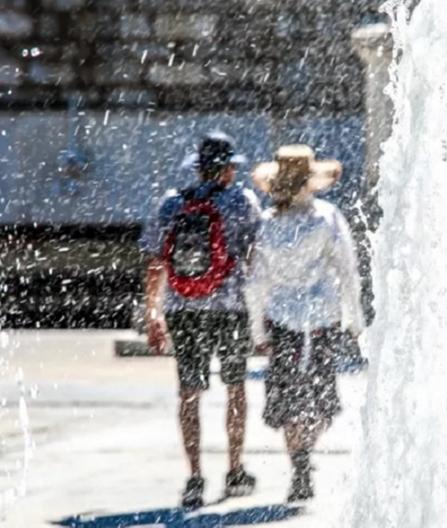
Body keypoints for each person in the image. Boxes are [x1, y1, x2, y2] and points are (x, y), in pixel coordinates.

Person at [140, 131, 262, 508]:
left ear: (197, 167)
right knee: (235, 388)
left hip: (183, 309)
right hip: (230, 308)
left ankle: (194, 477)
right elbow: (257, 257)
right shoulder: (242, 201)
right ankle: (235, 469)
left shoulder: (171, 203)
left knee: (189, 393)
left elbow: (155, 262)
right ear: (227, 169)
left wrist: (152, 314)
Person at [245, 145, 364, 502]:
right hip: (322, 319)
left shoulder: (268, 223)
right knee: (321, 397)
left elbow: (257, 281)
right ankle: (305, 454)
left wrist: (257, 329)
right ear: (310, 181)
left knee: (288, 399)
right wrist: (354, 319)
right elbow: (347, 269)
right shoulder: (327, 217)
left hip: (282, 323)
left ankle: (298, 463)